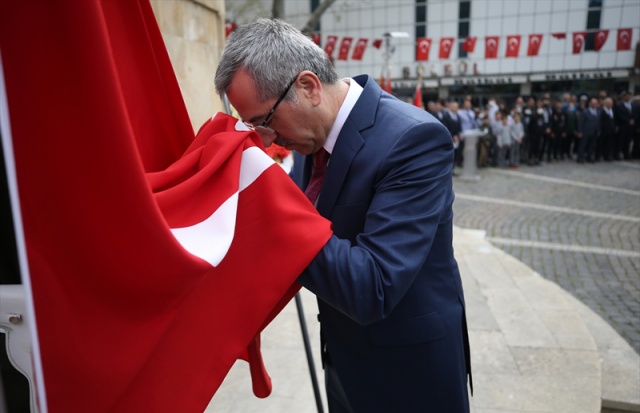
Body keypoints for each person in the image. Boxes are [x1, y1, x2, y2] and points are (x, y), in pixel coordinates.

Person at [214, 18, 471, 413]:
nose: (266, 139)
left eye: (264, 121)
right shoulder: (308, 137)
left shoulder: (414, 139)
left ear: (308, 87)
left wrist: (271, 205)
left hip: (410, 372)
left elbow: (374, 286)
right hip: (343, 360)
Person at [578, 97, 601, 163]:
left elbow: (599, 122)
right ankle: (580, 157)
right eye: (593, 103)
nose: (594, 105)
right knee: (583, 145)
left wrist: (598, 130)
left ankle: (590, 157)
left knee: (592, 145)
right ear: (590, 103)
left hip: (594, 131)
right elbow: (581, 122)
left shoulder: (598, 112)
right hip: (586, 131)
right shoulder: (585, 112)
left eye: (595, 103)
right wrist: (580, 131)